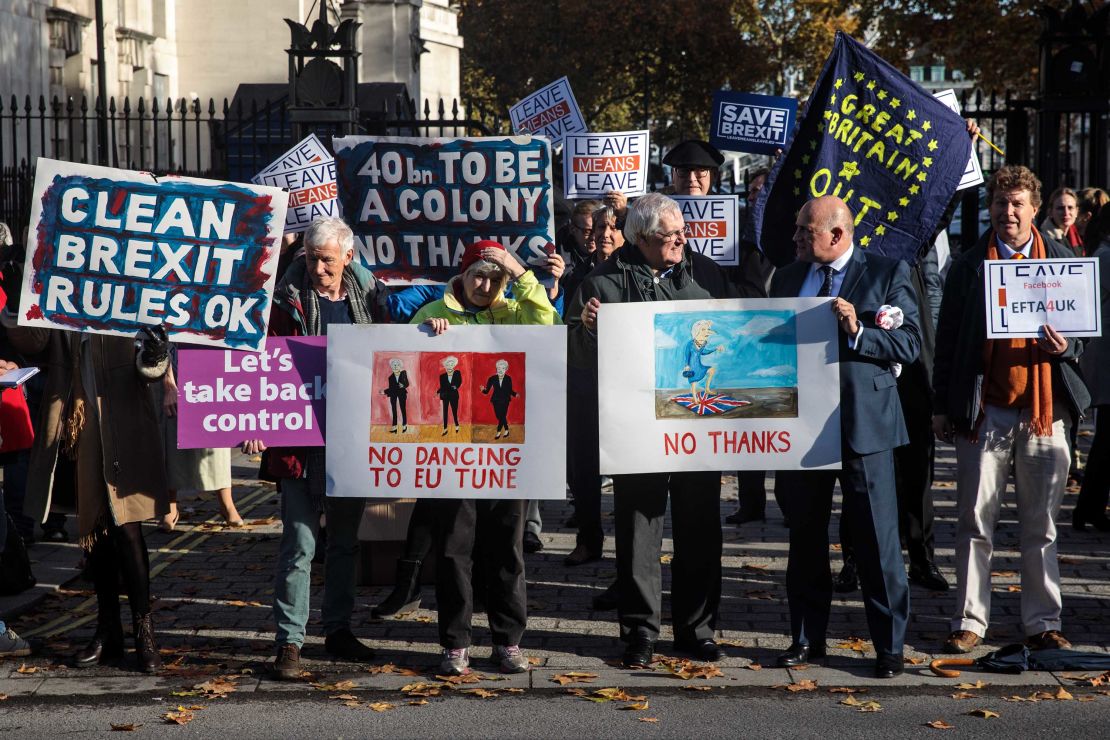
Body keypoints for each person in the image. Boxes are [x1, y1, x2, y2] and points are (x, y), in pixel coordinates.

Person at [567, 193, 736, 667]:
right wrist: (586, 329)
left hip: (693, 432)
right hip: (635, 430)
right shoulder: (600, 285)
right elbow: (574, 360)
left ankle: (697, 629)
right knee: (639, 531)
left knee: (700, 529)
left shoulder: (700, 286)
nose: (683, 240)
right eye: (671, 235)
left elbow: (725, 347)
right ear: (642, 239)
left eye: (683, 232)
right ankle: (639, 631)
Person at [933, 166, 1090, 655]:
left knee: (1040, 525)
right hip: (987, 411)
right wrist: (943, 405)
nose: (1008, 212)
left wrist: (1066, 347)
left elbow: (1083, 340)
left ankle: (1042, 621)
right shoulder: (968, 265)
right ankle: (970, 621)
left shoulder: (1063, 260)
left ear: (1035, 209)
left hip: (1046, 413)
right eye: (1000, 203)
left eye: (1018, 203)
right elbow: (948, 340)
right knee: (975, 521)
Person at [771, 196, 920, 679]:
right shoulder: (789, 276)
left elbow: (911, 343)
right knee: (805, 538)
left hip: (865, 426)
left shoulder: (886, 272)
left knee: (877, 540)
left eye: (804, 231)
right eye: (796, 230)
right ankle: (806, 639)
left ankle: (889, 646)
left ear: (837, 235)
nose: (795, 238)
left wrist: (858, 331)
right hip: (804, 429)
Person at [1, 282, 171, 672]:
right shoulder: (62, 283)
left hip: (122, 422)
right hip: (75, 424)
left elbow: (149, 366)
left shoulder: (133, 284)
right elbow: (33, 340)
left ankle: (144, 633)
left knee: (127, 527)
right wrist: (18, 299)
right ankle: (107, 629)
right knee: (93, 529)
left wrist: (158, 353)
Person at [413, 239, 559, 676]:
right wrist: (428, 334)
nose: (485, 285)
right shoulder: (431, 314)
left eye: (495, 279)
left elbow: (547, 326)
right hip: (453, 455)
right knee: (455, 551)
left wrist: (520, 274)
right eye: (478, 274)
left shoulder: (512, 309)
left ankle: (507, 641)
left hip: (504, 454)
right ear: (462, 273)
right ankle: (455, 644)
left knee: (506, 549)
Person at [249, 217, 380, 679]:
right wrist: (257, 417)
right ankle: (289, 642)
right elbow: (259, 358)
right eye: (311, 257)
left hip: (350, 439)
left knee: (344, 543)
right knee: (300, 544)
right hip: (299, 441)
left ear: (348, 256)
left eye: (327, 258)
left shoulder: (373, 299)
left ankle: (339, 629)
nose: (318, 267)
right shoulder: (283, 302)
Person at [154, 357, 242, 531]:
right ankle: (169, 503)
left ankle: (226, 501)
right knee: (169, 432)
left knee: (214, 429)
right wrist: (167, 379)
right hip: (168, 354)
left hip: (207, 349)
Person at [1075, 204, 1110, 532]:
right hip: (1106, 360)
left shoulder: (1101, 254)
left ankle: (1090, 506)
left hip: (1103, 359)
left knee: (1105, 439)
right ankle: (1090, 507)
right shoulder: (1106, 257)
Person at [1039, 187, 1084, 256]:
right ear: (1050, 212)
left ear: (1077, 211)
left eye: (1070, 207)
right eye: (1060, 208)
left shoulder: (1080, 236)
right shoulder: (1042, 239)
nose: (1066, 213)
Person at [481, 359, 517, 439]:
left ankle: (499, 432)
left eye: (503, 368)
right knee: (499, 416)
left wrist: (515, 394)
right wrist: (483, 390)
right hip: (496, 400)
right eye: (499, 368)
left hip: (505, 400)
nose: (501, 370)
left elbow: (510, 390)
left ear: (506, 369)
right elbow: (487, 391)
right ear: (496, 368)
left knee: (502, 416)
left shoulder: (508, 378)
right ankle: (506, 429)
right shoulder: (492, 378)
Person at [381, 358, 410, 433]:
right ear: (391, 367)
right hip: (393, 394)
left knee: (402, 409)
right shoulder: (390, 378)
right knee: (394, 410)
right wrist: (385, 391)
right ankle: (394, 427)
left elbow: (407, 383)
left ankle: (404, 425)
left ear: (400, 366)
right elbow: (392, 388)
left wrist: (403, 385)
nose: (395, 366)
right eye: (394, 365)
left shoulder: (403, 373)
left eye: (397, 365)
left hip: (402, 393)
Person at [437, 356, 463, 435]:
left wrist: (456, 386)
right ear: (445, 366)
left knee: (454, 411)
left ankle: (457, 425)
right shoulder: (442, 376)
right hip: (445, 395)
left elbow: (459, 382)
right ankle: (445, 429)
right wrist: (438, 391)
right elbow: (443, 387)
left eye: (452, 364)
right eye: (448, 364)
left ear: (454, 365)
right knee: (445, 412)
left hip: (454, 395)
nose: (450, 366)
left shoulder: (457, 373)